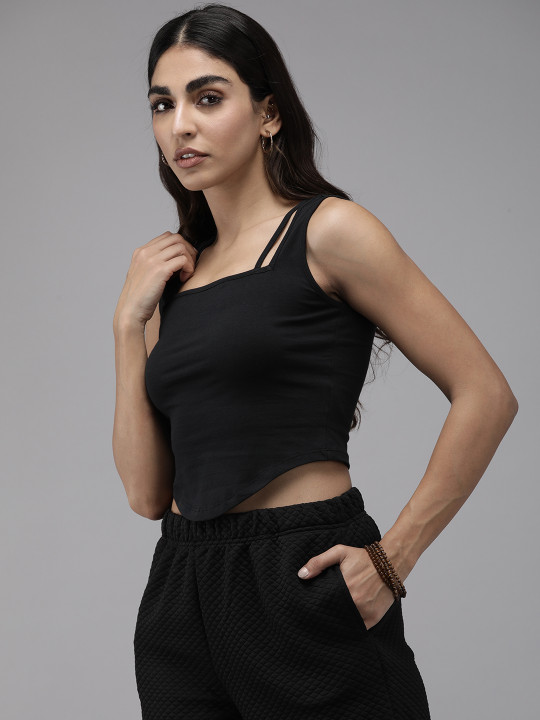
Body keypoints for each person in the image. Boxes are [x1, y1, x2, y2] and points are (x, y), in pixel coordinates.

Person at [112, 4, 518, 719]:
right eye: (162, 104)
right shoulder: (172, 278)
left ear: (268, 114)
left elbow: (486, 393)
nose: (180, 126)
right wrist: (126, 326)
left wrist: (393, 558)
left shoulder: (329, 231)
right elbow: (147, 495)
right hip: (181, 590)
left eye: (208, 98)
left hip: (299, 572)